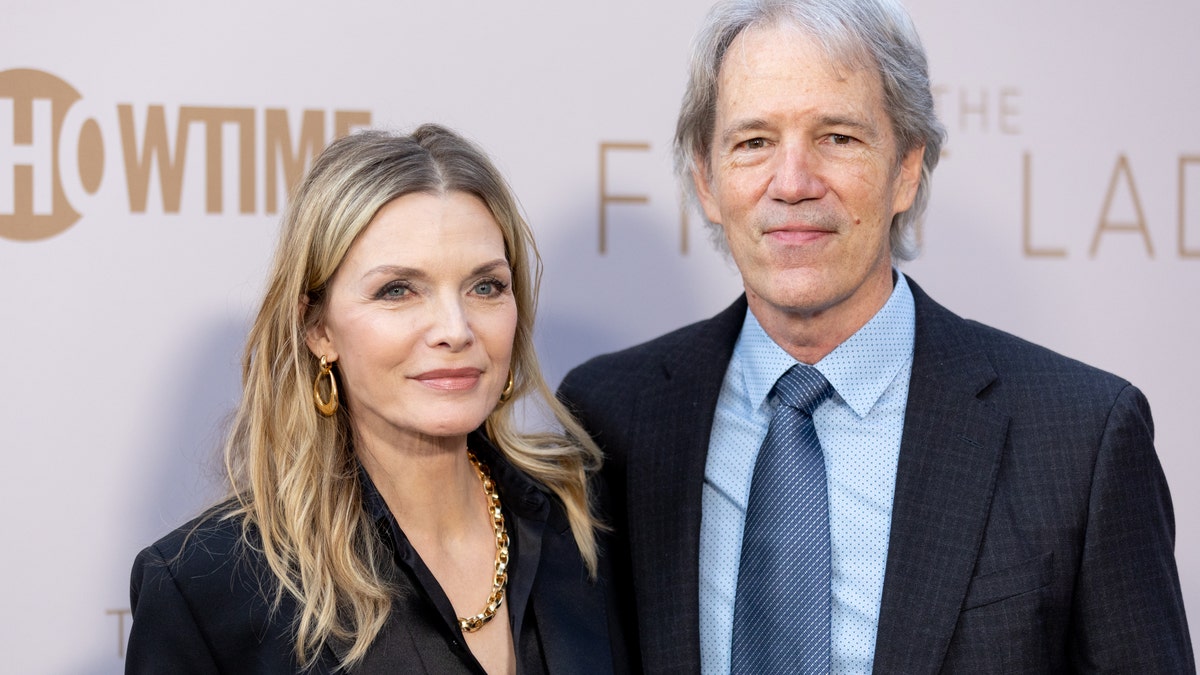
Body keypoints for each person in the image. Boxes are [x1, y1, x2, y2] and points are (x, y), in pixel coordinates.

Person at [558, 0, 1195, 672]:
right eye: (754, 142)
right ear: (706, 179)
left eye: (837, 137)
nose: (794, 182)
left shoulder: (1078, 437)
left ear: (907, 168)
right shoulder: (612, 419)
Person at [127, 125, 623, 674]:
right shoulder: (207, 587)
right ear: (318, 329)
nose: (455, 330)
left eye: (485, 286)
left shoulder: (584, 520)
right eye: (398, 290)